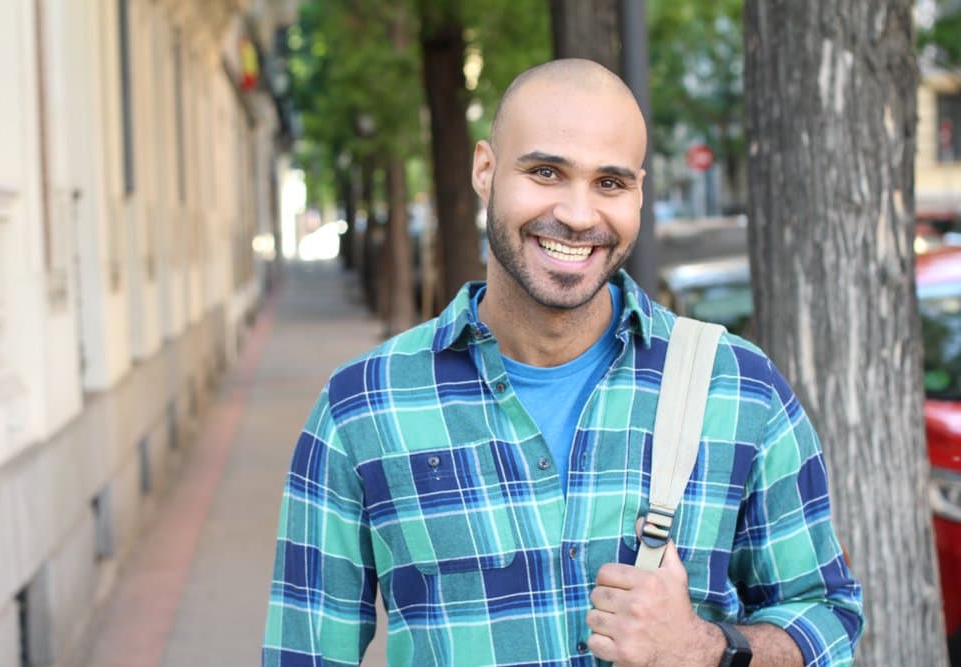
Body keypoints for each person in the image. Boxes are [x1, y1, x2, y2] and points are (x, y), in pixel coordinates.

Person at [262, 58, 863, 666]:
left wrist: (706, 648)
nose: (578, 215)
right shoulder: (362, 407)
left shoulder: (738, 389)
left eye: (610, 183)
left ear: (639, 193)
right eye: (546, 172)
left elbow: (829, 619)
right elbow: (303, 654)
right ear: (485, 170)